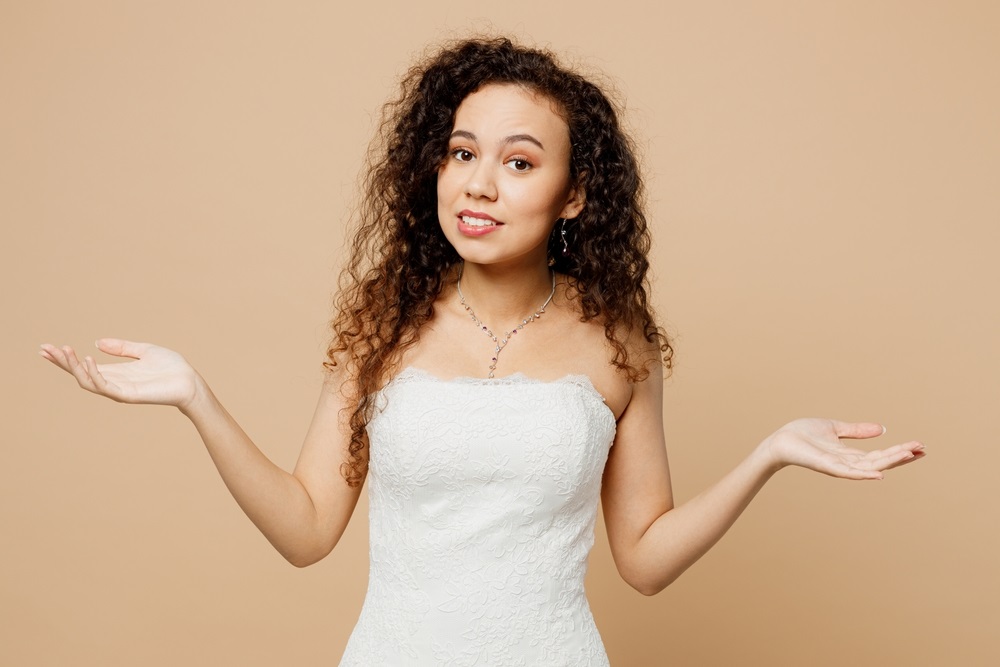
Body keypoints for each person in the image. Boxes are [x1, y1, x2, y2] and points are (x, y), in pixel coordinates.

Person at [39, 37, 925, 666]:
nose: (478, 182)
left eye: (518, 161)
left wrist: (766, 455)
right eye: (462, 152)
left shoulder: (620, 343)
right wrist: (197, 395)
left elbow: (645, 560)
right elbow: (308, 531)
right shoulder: (382, 322)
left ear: (574, 194)